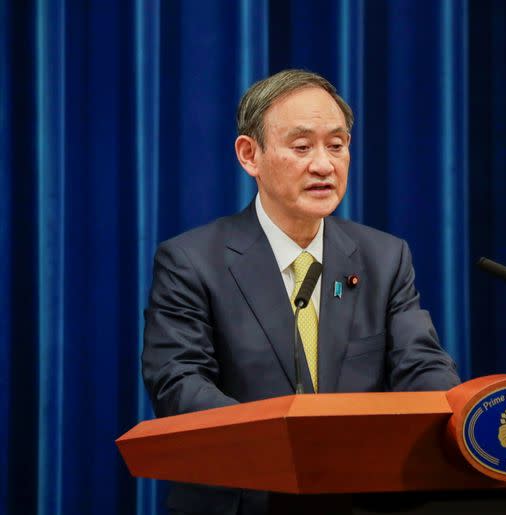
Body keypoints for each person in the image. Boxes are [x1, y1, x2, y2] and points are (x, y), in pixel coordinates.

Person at [141, 69, 461, 515]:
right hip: (243, 497)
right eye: (302, 146)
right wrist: (284, 448)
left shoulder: (384, 258)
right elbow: (179, 383)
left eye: (337, 144)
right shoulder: (192, 261)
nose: (324, 164)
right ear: (249, 155)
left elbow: (422, 365)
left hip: (360, 497)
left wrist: (448, 419)